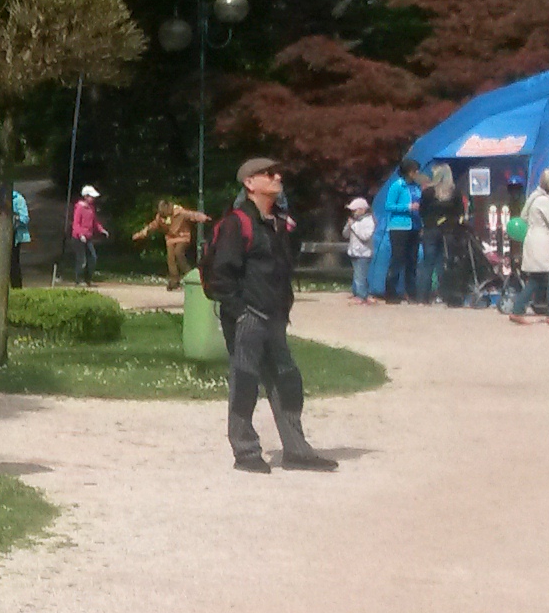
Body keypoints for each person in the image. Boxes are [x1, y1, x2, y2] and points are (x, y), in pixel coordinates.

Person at [202, 156, 338, 474]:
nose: (277, 177)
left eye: (278, 172)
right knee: (245, 382)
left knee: (287, 380)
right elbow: (221, 274)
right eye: (268, 173)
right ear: (249, 183)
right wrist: (240, 311)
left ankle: (297, 451)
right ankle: (246, 452)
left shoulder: (277, 223)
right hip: (247, 316)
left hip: (274, 316)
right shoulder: (237, 223)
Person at [512, 167, 549, 321]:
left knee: (536, 279)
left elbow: (523, 216)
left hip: (532, 238)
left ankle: (518, 309)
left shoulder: (533, 197)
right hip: (543, 241)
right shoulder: (544, 201)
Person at [134, 198, 210, 286]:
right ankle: (174, 280)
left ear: (168, 207)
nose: (163, 215)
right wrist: (142, 233)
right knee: (170, 258)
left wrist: (203, 218)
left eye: (164, 212)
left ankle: (189, 273)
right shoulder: (160, 217)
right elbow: (153, 225)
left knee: (178, 252)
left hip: (183, 236)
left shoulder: (180, 212)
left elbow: (192, 215)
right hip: (170, 239)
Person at [376, 161, 423, 302]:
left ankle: (411, 292)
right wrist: (407, 207)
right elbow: (389, 205)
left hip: (414, 226)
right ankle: (390, 292)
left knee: (412, 260)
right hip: (399, 227)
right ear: (409, 172)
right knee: (397, 259)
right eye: (415, 170)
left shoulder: (416, 186)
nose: (417, 173)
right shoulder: (397, 186)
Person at [419, 166, 465, 303]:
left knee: (428, 263)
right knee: (444, 263)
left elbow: (422, 211)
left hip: (430, 229)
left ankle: (424, 297)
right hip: (448, 231)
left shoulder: (428, 192)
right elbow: (460, 212)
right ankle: (445, 295)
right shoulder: (455, 192)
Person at [68, 185, 105, 284]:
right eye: (91, 197)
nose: (93, 199)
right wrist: (80, 234)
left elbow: (95, 221)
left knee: (92, 257)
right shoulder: (79, 208)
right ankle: (79, 280)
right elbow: (76, 224)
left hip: (88, 237)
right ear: (85, 196)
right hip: (78, 238)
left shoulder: (91, 208)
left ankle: (88, 279)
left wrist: (101, 230)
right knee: (82, 259)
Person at [344, 196, 377, 302]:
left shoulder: (369, 221)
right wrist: (348, 226)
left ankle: (362, 296)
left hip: (364, 253)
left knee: (361, 276)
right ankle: (356, 292)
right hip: (354, 251)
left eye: (355, 210)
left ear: (362, 210)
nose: (353, 212)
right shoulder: (354, 221)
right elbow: (345, 235)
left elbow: (365, 236)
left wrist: (354, 226)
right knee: (356, 275)